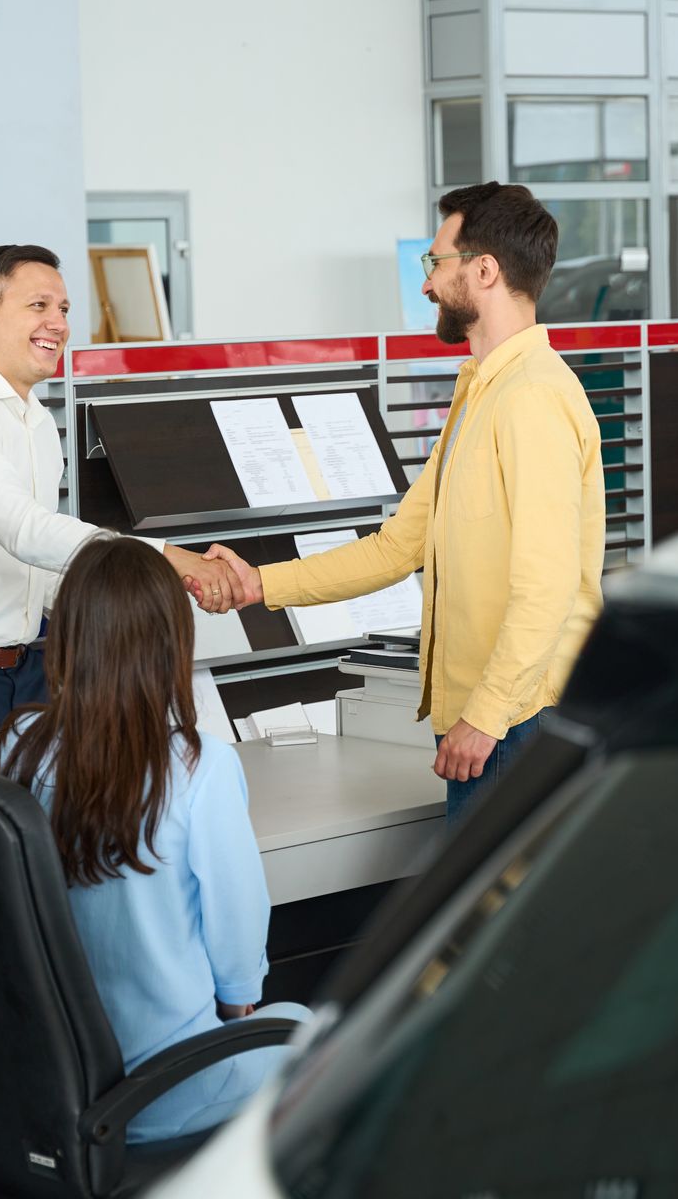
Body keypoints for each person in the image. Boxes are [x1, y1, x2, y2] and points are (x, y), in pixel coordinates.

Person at [211, 183, 605, 826]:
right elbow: (397, 546)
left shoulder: (531, 397)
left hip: (515, 720)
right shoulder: (480, 392)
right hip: (494, 720)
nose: (426, 286)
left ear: (484, 270)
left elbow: (548, 586)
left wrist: (484, 716)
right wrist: (259, 585)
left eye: (434, 264)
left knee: (491, 922)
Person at [0, 535, 310, 1143]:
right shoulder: (201, 765)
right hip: (164, 1090)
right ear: (171, 644)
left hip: (54, 1085)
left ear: (67, 637)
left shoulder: (22, 743)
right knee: (306, 1026)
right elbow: (239, 963)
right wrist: (237, 1005)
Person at [0, 243, 238, 737]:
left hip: (23, 674)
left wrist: (155, 593)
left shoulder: (37, 422)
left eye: (62, 309)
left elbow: (36, 574)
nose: (58, 324)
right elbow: (26, 532)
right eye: (38, 306)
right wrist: (169, 558)